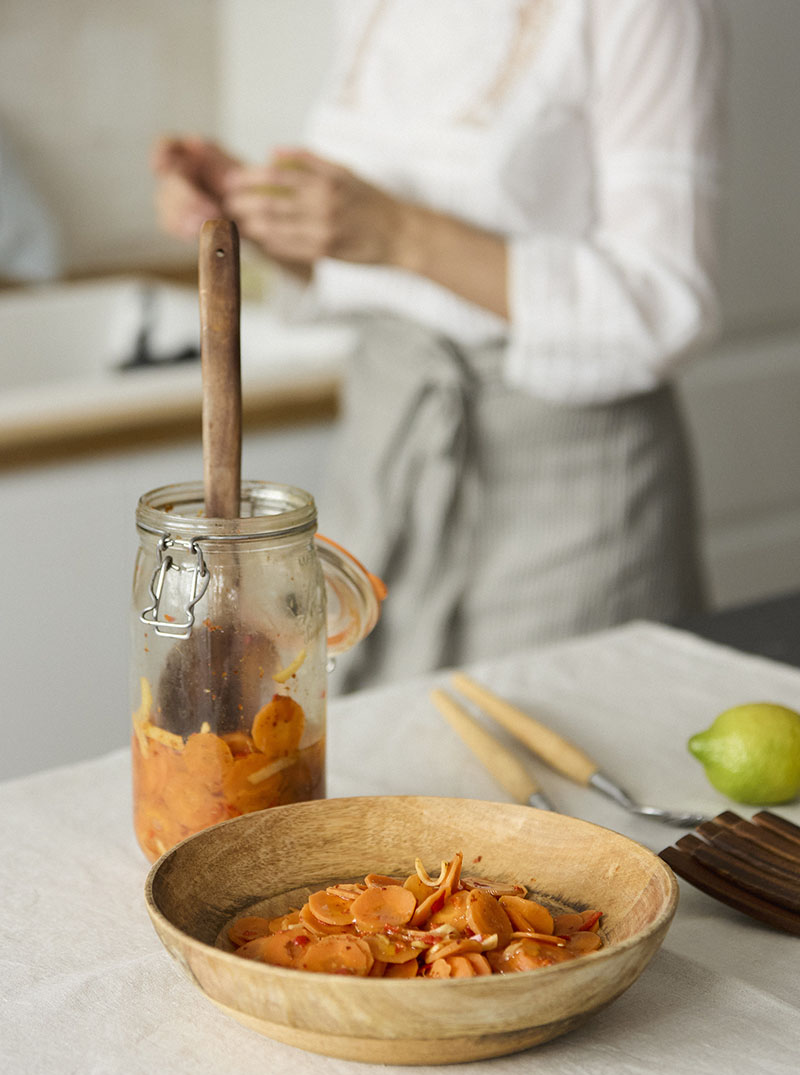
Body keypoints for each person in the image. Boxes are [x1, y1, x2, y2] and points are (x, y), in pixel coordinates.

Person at [152, 0, 726, 692]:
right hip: (384, 457)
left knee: (557, 779)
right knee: (370, 773)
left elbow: (663, 306)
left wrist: (403, 233)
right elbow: (381, 267)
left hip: (565, 498)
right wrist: (265, 212)